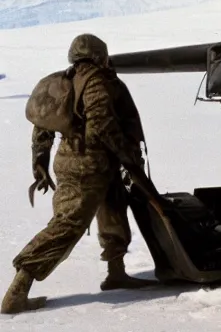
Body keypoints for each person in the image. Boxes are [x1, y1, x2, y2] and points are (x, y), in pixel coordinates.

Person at [2, 34, 155, 315]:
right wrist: (128, 155)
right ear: (99, 55)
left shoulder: (65, 81)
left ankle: (116, 272)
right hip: (88, 164)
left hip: (86, 161)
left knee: (113, 208)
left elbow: (41, 128)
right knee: (67, 225)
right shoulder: (95, 80)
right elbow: (102, 126)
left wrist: (40, 160)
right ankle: (19, 288)